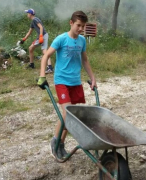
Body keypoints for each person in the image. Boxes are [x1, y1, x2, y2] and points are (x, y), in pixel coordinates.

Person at [37, 10, 97, 160]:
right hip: (62, 81)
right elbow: (46, 56)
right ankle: (55, 142)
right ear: (71, 23)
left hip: (75, 82)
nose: (80, 29)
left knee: (72, 115)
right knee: (67, 114)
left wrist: (92, 78)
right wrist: (42, 76)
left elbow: (85, 60)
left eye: (83, 26)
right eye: (78, 25)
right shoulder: (61, 39)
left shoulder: (82, 41)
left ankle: (61, 144)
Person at [20, 8, 53, 73]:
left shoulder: (35, 19)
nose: (27, 15)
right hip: (41, 36)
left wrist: (41, 36)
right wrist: (24, 39)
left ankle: (50, 67)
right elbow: (29, 32)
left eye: (27, 13)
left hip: (43, 36)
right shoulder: (33, 21)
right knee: (30, 48)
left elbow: (41, 27)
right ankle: (31, 64)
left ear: (30, 14)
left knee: (44, 51)